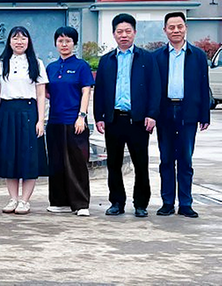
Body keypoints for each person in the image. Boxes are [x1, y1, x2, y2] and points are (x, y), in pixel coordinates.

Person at [94, 13, 160, 218]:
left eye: (127, 31)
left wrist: (152, 114)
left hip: (138, 120)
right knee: (113, 163)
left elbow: (155, 88)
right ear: (114, 34)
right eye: (119, 31)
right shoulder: (106, 60)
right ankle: (116, 202)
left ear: (134, 33)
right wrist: (99, 117)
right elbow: (100, 90)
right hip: (114, 119)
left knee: (140, 163)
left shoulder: (146, 58)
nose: (124, 35)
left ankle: (140, 204)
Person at [154, 12, 210, 218]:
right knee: (166, 159)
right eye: (171, 27)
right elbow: (153, 88)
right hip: (165, 112)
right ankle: (167, 202)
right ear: (165, 30)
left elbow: (203, 86)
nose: (176, 30)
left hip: (188, 112)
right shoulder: (157, 56)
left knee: (185, 160)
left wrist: (204, 115)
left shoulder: (198, 55)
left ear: (186, 28)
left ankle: (185, 203)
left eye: (179, 26)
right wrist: (152, 113)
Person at [0, 26, 48, 215]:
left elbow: (41, 94)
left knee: (29, 157)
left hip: (29, 112)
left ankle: (25, 200)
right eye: (15, 38)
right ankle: (13, 198)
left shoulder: (36, 63)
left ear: (28, 41)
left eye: (23, 38)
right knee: (10, 157)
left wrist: (40, 120)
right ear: (9, 41)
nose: (19, 42)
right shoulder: (1, 64)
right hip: (7, 112)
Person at [45, 26, 94, 216]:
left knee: (77, 163)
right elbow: (46, 92)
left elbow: (86, 91)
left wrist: (82, 115)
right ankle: (59, 201)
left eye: (68, 41)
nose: (64, 44)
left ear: (74, 43)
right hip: (55, 121)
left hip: (74, 121)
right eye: (60, 41)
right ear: (55, 43)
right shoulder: (51, 67)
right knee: (56, 163)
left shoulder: (81, 66)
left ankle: (81, 204)